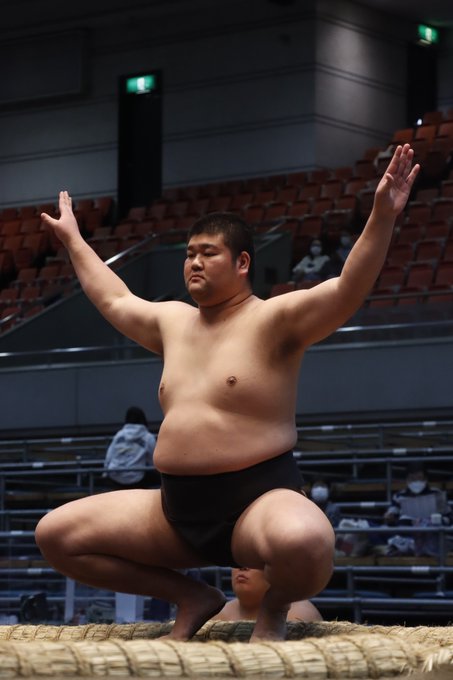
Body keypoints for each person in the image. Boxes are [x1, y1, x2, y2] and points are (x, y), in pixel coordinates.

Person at [34, 143, 419, 642]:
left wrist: (382, 216)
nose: (193, 262)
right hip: (174, 511)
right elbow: (114, 297)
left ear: (242, 263)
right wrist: (73, 239)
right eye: (189, 254)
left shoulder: (274, 320)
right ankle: (192, 597)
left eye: (208, 253)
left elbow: (347, 288)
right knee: (56, 535)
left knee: (307, 541)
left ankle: (275, 607)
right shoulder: (172, 322)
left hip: (256, 502)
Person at [383, 463, 452, 557]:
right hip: (408, 537)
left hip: (432, 538)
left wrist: (436, 520)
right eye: (412, 479)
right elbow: (392, 517)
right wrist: (389, 518)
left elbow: (449, 517)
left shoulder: (437, 494)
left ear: (426, 479)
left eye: (419, 478)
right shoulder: (399, 496)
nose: (416, 482)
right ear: (407, 480)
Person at [212, 567, 323, 622]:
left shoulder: (299, 615)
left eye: (254, 560)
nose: (242, 567)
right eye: (237, 560)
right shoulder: (219, 615)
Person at [103, 406, 157, 488]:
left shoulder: (119, 435)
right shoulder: (148, 437)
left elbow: (109, 457)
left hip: (115, 476)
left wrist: (105, 473)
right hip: (136, 478)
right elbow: (154, 460)